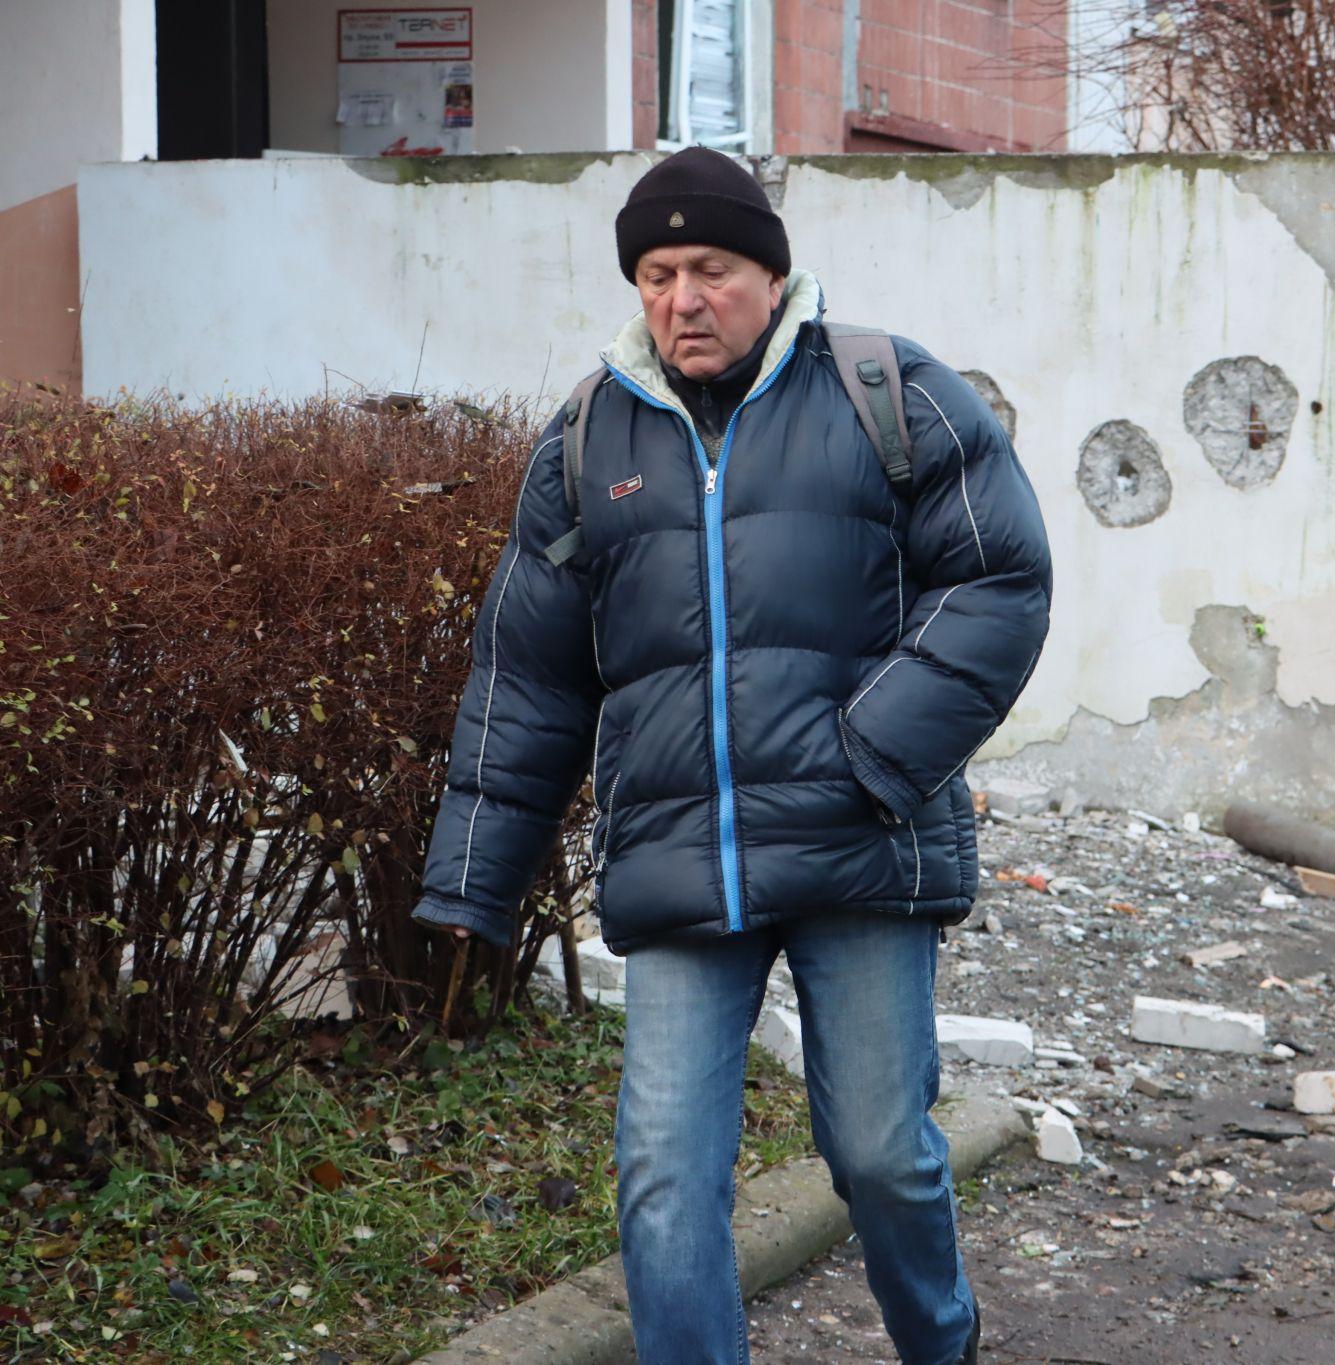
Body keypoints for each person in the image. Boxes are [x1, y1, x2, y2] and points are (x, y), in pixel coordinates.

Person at [411, 146, 1053, 1364]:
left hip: (857, 845)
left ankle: (941, 1344)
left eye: (708, 268)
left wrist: (868, 756)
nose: (680, 300)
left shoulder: (889, 391)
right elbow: (530, 673)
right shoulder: (587, 436)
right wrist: (473, 879)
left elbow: (1000, 578)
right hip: (677, 863)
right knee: (660, 1180)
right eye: (656, 273)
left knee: (879, 1152)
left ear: (769, 273)